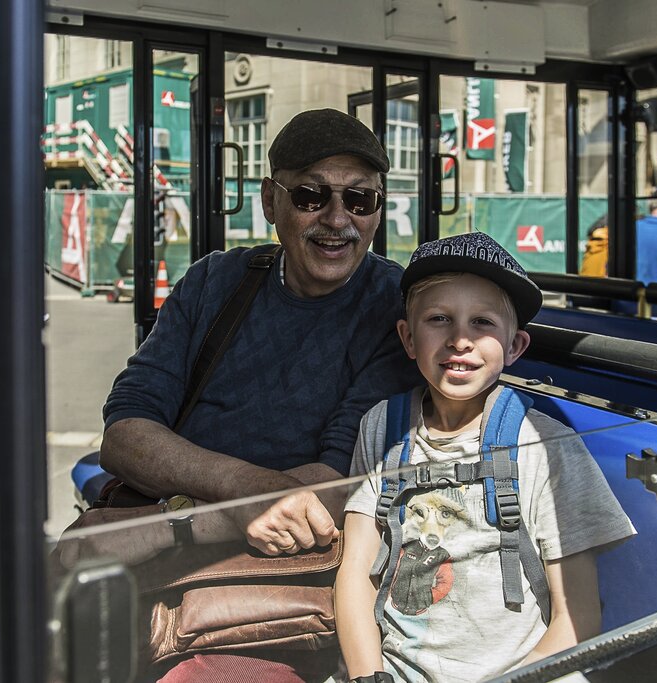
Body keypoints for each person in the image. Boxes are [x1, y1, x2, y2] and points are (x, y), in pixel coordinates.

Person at [99, 108, 419, 681]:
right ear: (271, 202)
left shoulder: (393, 308)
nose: (337, 219)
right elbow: (125, 433)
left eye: (360, 200)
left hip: (279, 577)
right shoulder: (215, 281)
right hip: (163, 543)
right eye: (311, 195)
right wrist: (241, 496)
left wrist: (183, 516)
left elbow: (337, 483)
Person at [334, 232, 635, 683]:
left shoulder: (544, 446)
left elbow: (578, 617)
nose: (460, 340)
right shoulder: (382, 427)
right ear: (408, 337)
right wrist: (367, 676)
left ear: (515, 347)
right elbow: (356, 573)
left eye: (482, 323)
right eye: (439, 318)